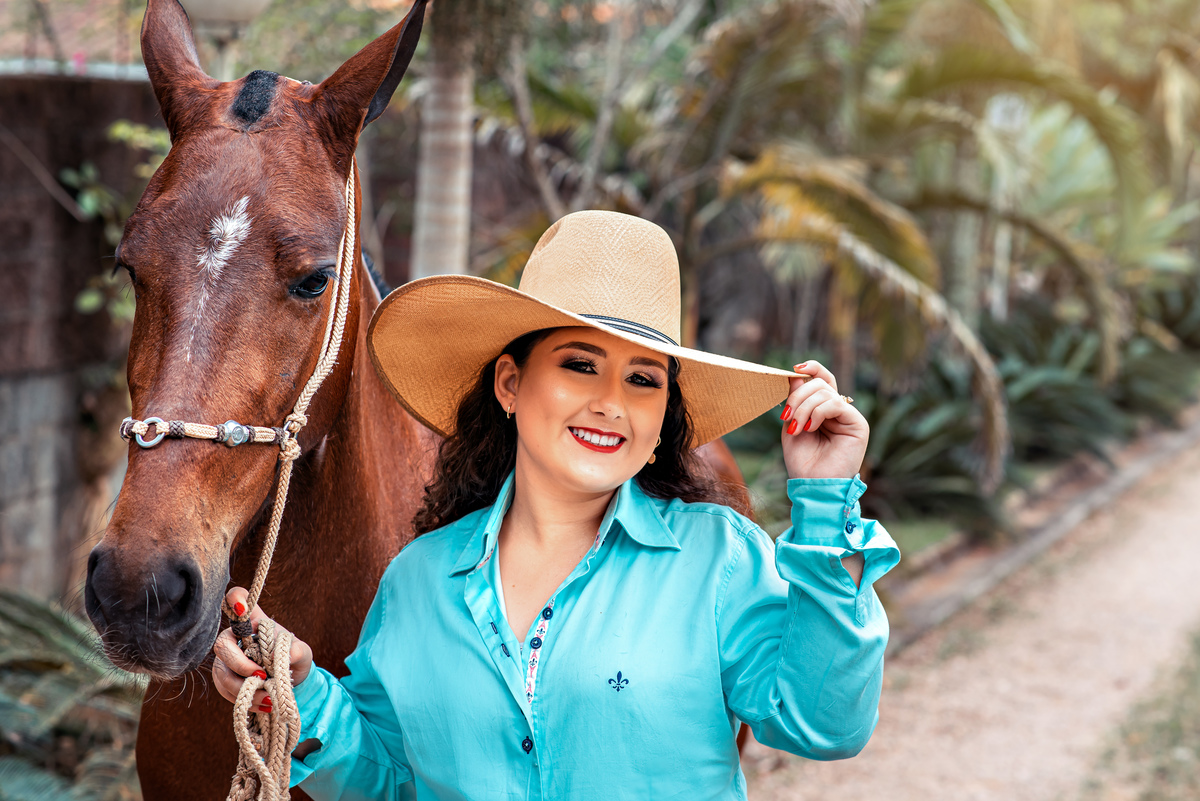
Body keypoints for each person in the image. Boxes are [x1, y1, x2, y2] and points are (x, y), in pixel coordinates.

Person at [212, 210, 900, 800]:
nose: (610, 402)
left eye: (642, 379)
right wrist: (301, 692)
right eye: (579, 364)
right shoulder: (418, 580)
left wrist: (824, 496)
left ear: (662, 416)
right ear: (511, 382)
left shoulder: (718, 559)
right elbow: (392, 780)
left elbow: (826, 721)